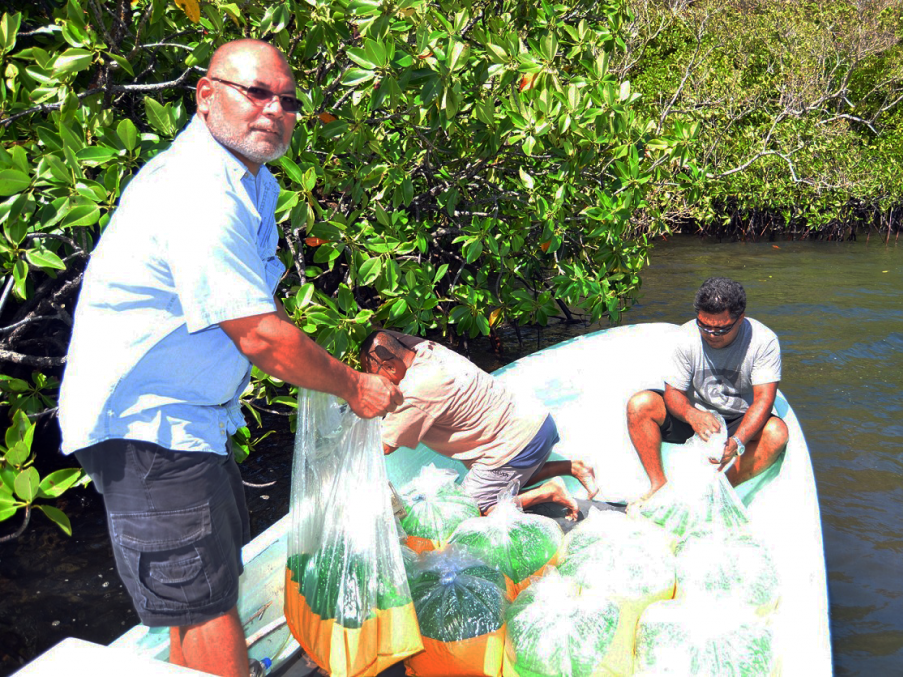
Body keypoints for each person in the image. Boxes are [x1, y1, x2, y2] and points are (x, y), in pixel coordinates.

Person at [57, 40, 401, 677]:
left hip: (191, 424)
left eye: (287, 99)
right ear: (206, 95)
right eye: (256, 92)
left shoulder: (248, 181)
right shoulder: (198, 190)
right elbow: (261, 336)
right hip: (149, 429)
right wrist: (354, 386)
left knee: (198, 596)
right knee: (204, 603)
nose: (275, 109)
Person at [359, 330, 599, 518]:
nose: (378, 385)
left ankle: (549, 493)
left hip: (516, 447)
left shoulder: (415, 392)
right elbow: (384, 337)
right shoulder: (426, 349)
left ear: (390, 367)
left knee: (469, 510)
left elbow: (383, 446)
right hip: (539, 424)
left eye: (376, 378)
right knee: (502, 478)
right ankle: (573, 467)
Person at [625, 277, 788, 500]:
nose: (711, 335)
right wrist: (692, 414)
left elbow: (763, 399)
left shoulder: (763, 341)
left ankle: (719, 490)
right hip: (695, 415)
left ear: (740, 319)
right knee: (640, 405)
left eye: (720, 330)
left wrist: (738, 441)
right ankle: (657, 486)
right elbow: (674, 393)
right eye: (704, 326)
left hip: (739, 418)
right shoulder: (686, 336)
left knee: (777, 433)